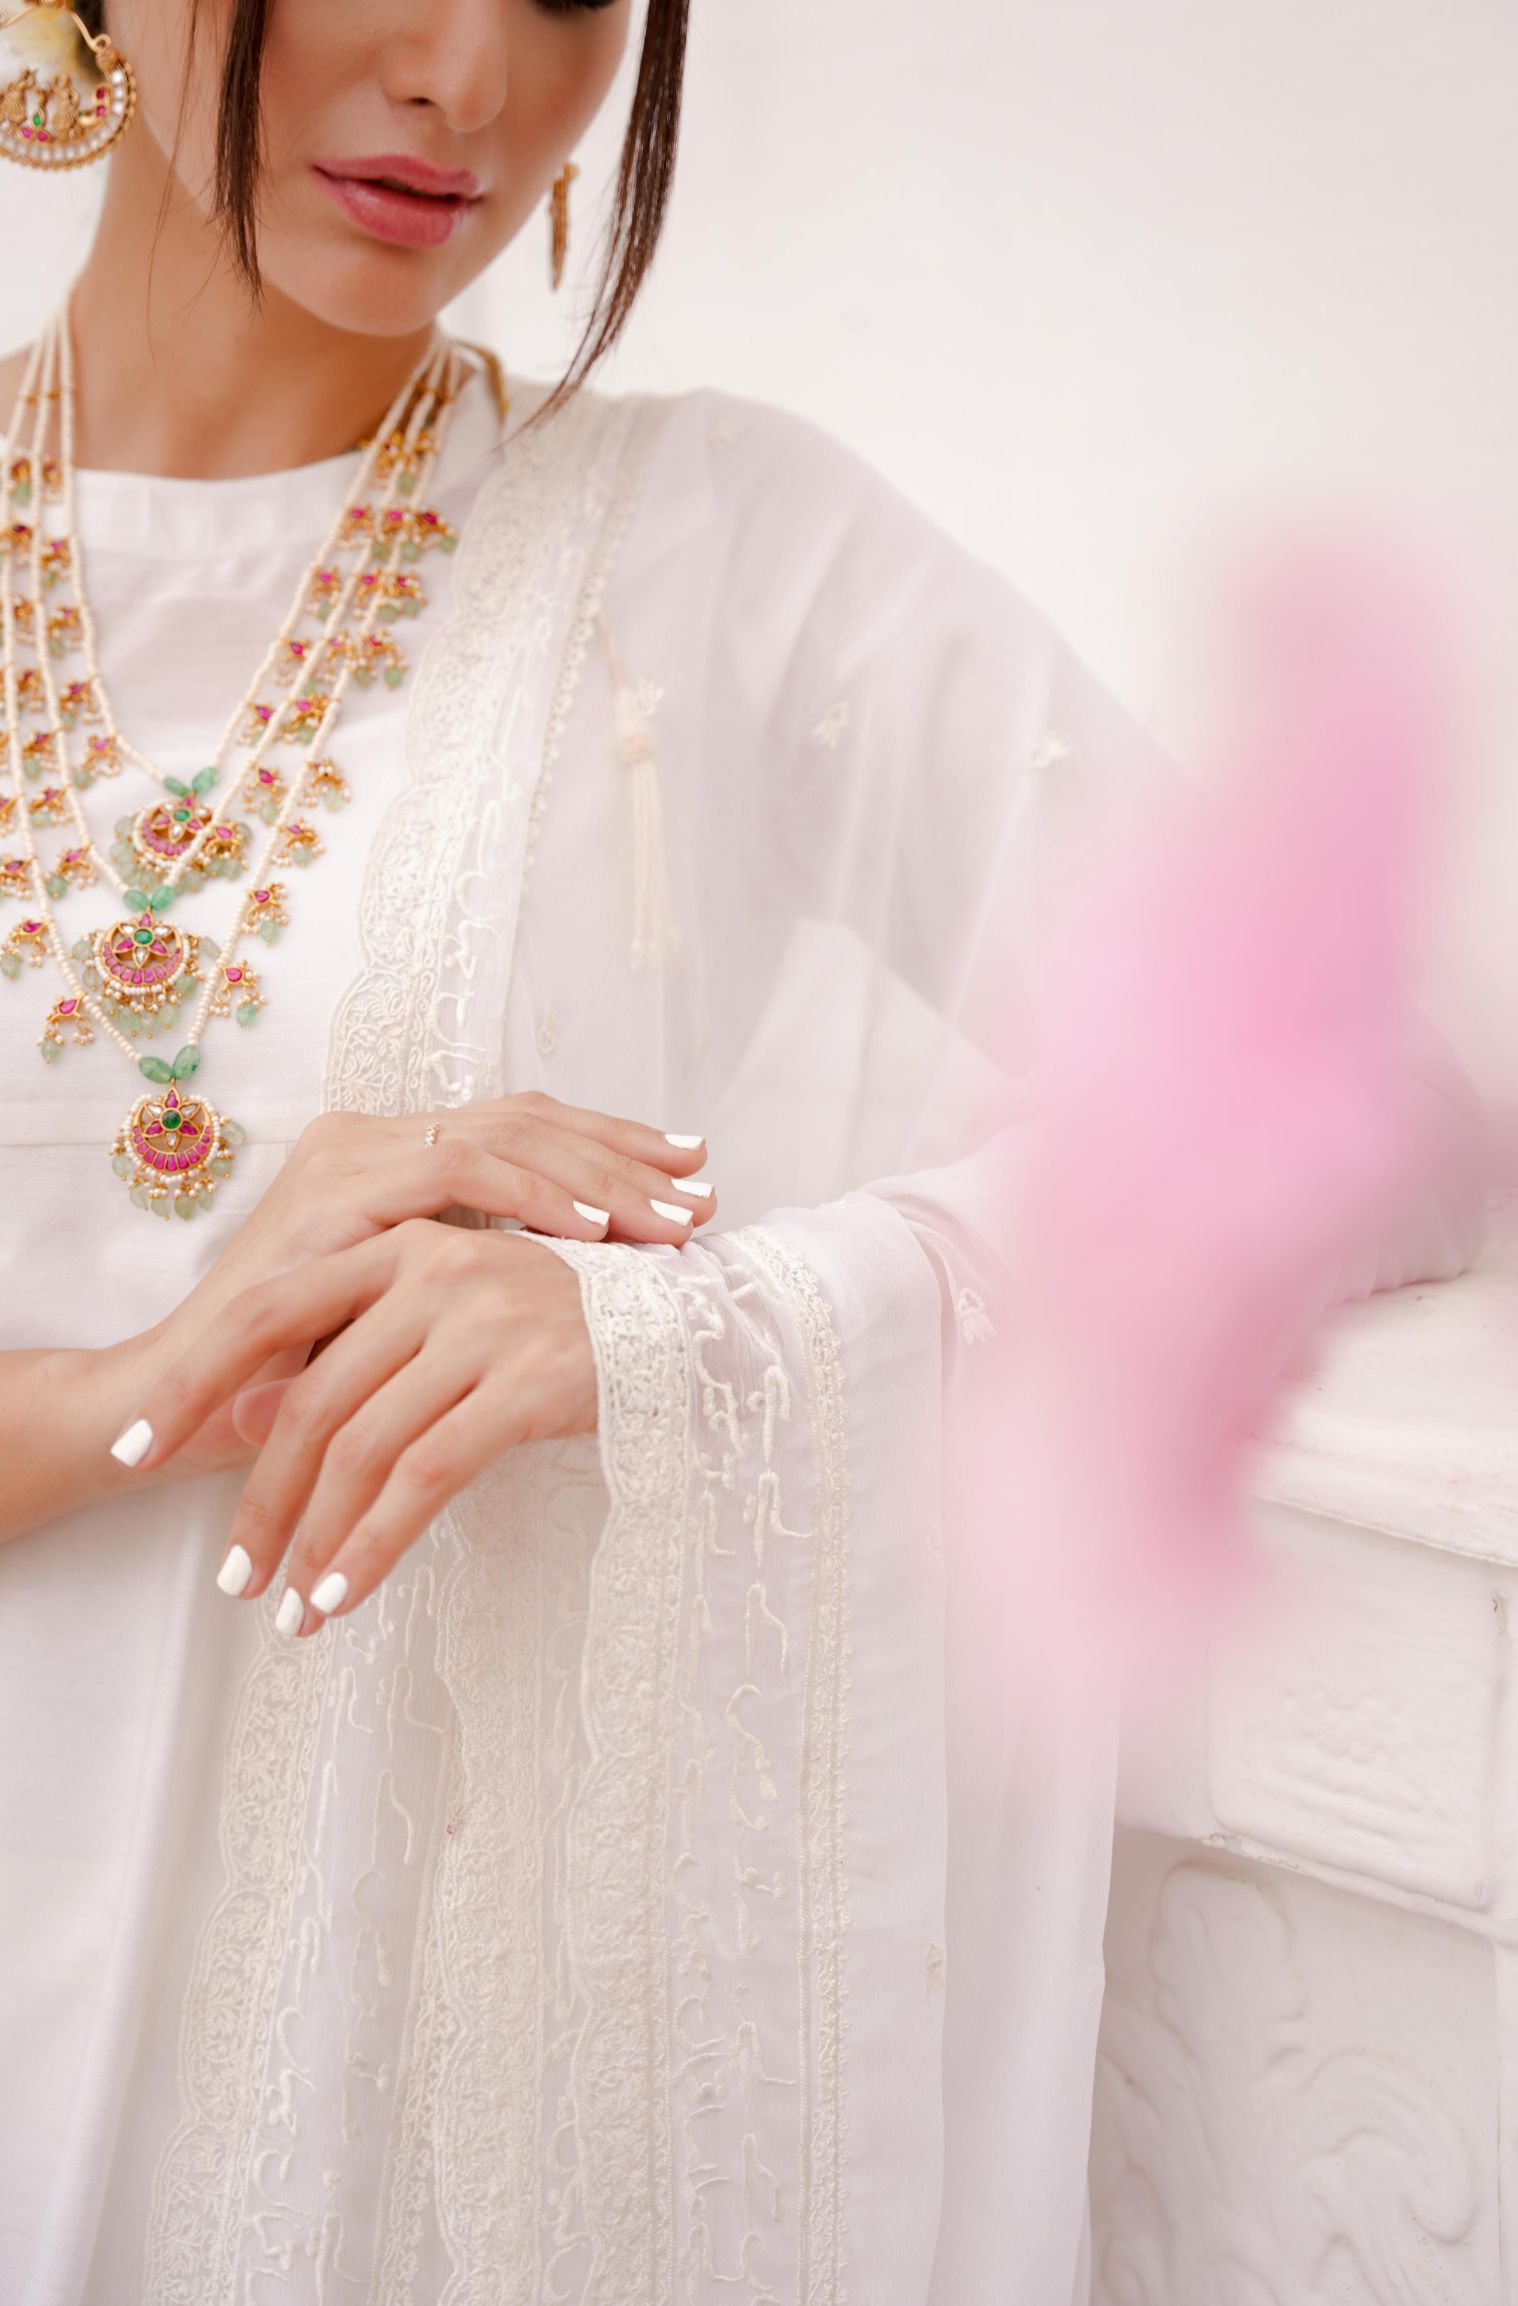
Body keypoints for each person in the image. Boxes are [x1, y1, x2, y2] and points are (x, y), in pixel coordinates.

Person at [0, 4, 1485, 2303]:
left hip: (356, 2121)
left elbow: (1362, 1096)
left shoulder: (713, 557)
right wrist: (156, 1378)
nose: (476, 78)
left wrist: (707, 1325)